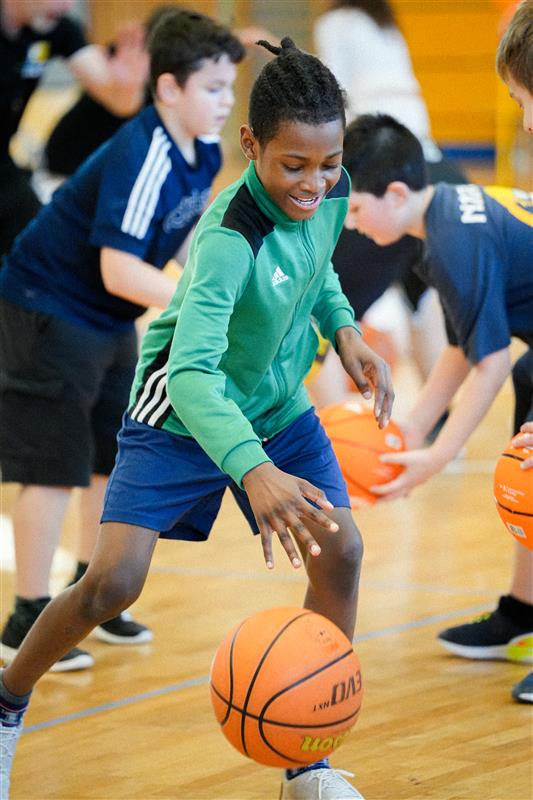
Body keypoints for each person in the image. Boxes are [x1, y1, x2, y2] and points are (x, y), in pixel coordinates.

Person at [0, 36, 395, 800]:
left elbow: (318, 272)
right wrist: (254, 471)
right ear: (249, 145)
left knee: (340, 551)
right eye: (294, 165)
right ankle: (8, 700)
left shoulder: (330, 189)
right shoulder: (225, 237)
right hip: (181, 411)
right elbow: (188, 376)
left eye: (328, 163)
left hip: (276, 406)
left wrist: (344, 330)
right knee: (111, 585)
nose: (315, 183)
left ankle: (306, 764)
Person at [0, 8, 244, 674]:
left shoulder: (203, 153)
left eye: (230, 88)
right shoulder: (144, 150)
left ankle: (91, 593)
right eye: (213, 89)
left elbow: (186, 237)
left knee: (112, 456)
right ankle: (27, 613)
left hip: (106, 317)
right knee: (53, 464)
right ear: (168, 89)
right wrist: (203, 304)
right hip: (48, 307)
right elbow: (119, 265)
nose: (227, 102)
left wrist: (223, 283)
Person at [340, 112, 533, 707]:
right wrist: (411, 427)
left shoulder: (453, 240)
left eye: (353, 209)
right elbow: (463, 343)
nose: (348, 223)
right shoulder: (446, 215)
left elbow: (490, 363)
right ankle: (524, 610)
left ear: (395, 194)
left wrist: (438, 456)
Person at [311, 0, 466, 408]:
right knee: (422, 300)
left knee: (319, 309)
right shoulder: (386, 23)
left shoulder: (336, 22)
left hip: (383, 174)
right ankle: (440, 426)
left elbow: (331, 102)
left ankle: (327, 433)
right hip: (434, 171)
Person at [0, 0, 148, 257]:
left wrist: (128, 87)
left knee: (39, 250)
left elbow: (119, 102)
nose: (68, 5)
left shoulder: (58, 28)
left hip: (4, 167)